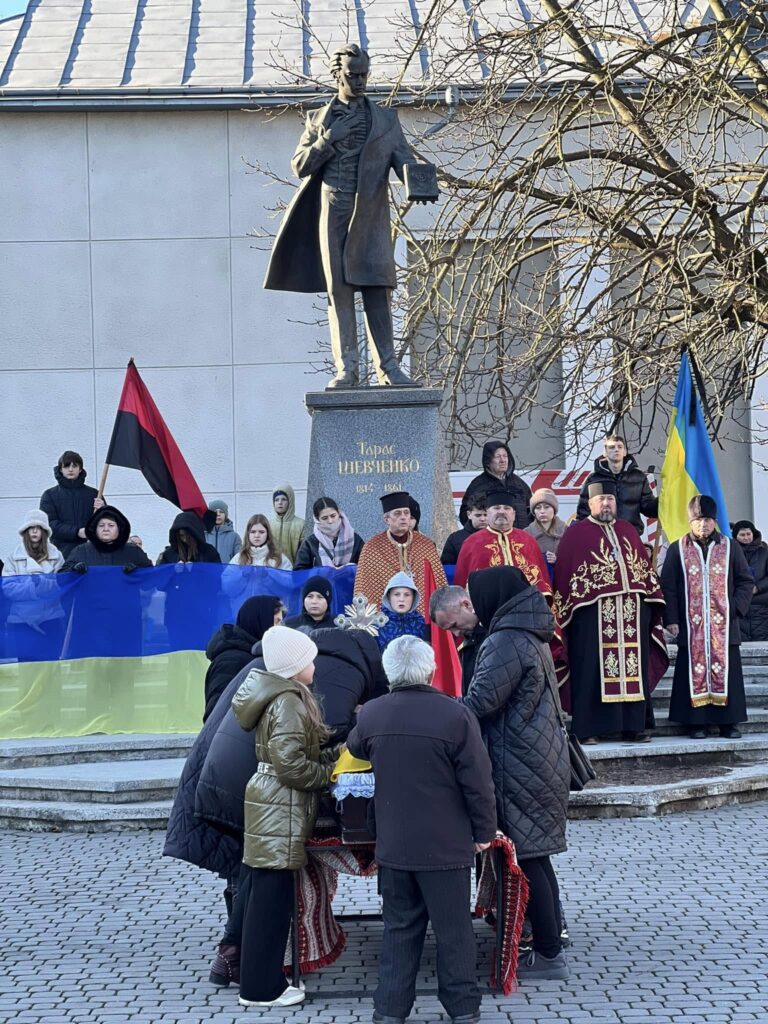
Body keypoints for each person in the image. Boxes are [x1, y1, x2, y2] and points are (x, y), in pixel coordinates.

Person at [263, 43, 432, 389]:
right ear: (337, 75)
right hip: (333, 210)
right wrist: (328, 139)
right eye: (352, 75)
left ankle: (388, 368)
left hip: (371, 214)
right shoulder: (318, 120)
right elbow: (299, 166)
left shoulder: (386, 119)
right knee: (339, 291)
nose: (359, 82)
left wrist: (419, 182)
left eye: (364, 75)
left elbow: (402, 159)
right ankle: (347, 370)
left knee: (377, 288)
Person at [347, 635, 497, 1024]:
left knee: (399, 929)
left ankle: (389, 1010)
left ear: (389, 672)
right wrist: (484, 830)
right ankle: (463, 1009)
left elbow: (356, 747)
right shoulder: (455, 714)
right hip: (446, 845)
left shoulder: (373, 714)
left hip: (395, 843)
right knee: (454, 932)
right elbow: (478, 782)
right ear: (430, 670)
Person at [462, 566, 570, 980]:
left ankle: (547, 954)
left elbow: (481, 702)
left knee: (527, 858)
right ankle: (548, 943)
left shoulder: (505, 640)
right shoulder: (526, 632)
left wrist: (441, 710)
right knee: (535, 857)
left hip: (520, 763)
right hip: (536, 759)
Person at [233, 626, 341, 1008]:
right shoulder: (290, 702)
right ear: (296, 667)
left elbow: (293, 757)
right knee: (271, 901)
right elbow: (292, 767)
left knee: (266, 893)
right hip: (280, 805)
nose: (315, 665)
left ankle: (258, 983)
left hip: (273, 803)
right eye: (309, 659)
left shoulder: (279, 696)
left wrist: (334, 756)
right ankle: (261, 990)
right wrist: (330, 775)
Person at [553, 481, 668, 743]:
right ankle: (589, 728)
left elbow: (642, 570)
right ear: (590, 504)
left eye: (610, 500)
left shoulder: (628, 530)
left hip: (631, 613)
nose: (606, 504)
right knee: (591, 668)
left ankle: (634, 726)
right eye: (601, 500)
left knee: (633, 668)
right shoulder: (576, 534)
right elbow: (565, 578)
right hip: (591, 617)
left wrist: (651, 601)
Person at [661, 496, 753, 739]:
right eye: (699, 520)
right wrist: (671, 619)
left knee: (728, 674)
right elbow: (667, 587)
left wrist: (734, 608)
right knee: (692, 672)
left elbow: (745, 581)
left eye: (708, 520)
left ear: (715, 522)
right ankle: (696, 723)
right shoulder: (677, 549)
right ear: (691, 522)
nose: (704, 525)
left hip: (724, 626)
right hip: (691, 627)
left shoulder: (730, 547)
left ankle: (728, 723)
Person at [355, 491, 447, 609]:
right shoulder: (372, 548)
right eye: (397, 514)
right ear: (387, 519)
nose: (403, 517)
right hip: (384, 618)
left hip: (422, 616)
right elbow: (364, 588)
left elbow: (438, 583)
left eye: (406, 513)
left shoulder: (426, 545)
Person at [203, 596, 285, 723]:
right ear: (260, 621)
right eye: (277, 621)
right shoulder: (230, 661)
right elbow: (217, 715)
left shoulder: (256, 654)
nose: (280, 628)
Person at [454, 490, 550, 595]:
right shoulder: (471, 543)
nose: (501, 511)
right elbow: (462, 582)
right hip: (488, 607)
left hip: (525, 604)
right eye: (496, 508)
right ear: (488, 513)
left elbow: (542, 580)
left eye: (507, 508)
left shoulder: (528, 540)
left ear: (513, 514)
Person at [2, 509, 65, 659]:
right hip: (21, 621)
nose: (35, 531)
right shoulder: (13, 558)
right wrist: (33, 587)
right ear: (25, 532)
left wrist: (40, 583)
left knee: (51, 666)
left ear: (45, 532)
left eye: (39, 528)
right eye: (31, 528)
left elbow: (61, 583)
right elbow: (8, 587)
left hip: (50, 619)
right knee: (27, 668)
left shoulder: (57, 556)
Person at [575, 434, 658, 536]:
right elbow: (583, 512)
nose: (616, 450)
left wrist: (662, 500)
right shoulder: (594, 479)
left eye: (620, 447)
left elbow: (649, 508)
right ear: (605, 452)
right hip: (601, 537)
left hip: (630, 537)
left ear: (625, 452)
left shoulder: (638, 477)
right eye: (612, 447)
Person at [40, 451, 105, 558]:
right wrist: (77, 532)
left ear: (80, 469)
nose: (70, 469)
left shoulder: (94, 494)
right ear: (60, 469)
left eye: (74, 466)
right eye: (66, 466)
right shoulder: (49, 495)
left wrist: (103, 510)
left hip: (92, 550)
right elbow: (49, 524)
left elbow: (107, 522)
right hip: (61, 552)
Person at [458, 440, 532, 529]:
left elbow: (532, 511)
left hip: (518, 539)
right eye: (498, 457)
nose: (503, 460)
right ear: (488, 461)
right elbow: (465, 516)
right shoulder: (477, 485)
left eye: (505, 456)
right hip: (489, 540)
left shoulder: (519, 484)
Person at [429, 585, 486, 695]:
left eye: (454, 625)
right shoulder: (468, 643)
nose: (456, 633)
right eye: (449, 630)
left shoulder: (498, 632)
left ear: (466, 605)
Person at [61, 506, 152, 571]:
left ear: (119, 528)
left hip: (124, 598)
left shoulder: (133, 551)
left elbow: (151, 580)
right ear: (95, 529)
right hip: (89, 598)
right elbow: (61, 579)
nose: (106, 529)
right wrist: (73, 570)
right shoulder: (81, 551)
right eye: (101, 525)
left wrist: (138, 572)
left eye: (111, 525)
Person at [293, 497, 364, 569]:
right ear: (317, 519)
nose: (330, 521)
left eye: (333, 516)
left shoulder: (355, 539)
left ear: (339, 514)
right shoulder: (310, 543)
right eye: (324, 518)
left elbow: (366, 566)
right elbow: (299, 571)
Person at [732, 519, 768, 642]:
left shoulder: (764, 552)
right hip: (740, 602)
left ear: (753, 534)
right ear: (735, 536)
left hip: (760, 603)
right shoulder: (730, 553)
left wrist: (758, 587)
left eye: (748, 534)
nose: (746, 538)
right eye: (742, 535)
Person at [375, 572, 428, 652]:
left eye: (407, 595)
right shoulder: (376, 624)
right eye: (396, 594)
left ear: (414, 597)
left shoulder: (422, 623)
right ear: (389, 597)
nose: (401, 599)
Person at [525, 489, 567, 577]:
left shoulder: (566, 531)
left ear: (554, 509)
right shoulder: (526, 534)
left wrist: (558, 560)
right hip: (537, 583)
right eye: (538, 507)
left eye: (547, 507)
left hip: (562, 580)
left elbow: (573, 560)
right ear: (534, 511)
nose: (542, 511)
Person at [157, 512, 221, 565]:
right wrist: (174, 571)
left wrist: (196, 570)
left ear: (195, 534)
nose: (185, 540)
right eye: (181, 536)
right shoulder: (169, 554)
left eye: (188, 537)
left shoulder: (209, 552)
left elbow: (217, 575)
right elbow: (161, 576)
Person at [440, 498, 487, 565]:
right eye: (478, 515)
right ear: (469, 514)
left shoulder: (500, 536)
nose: (483, 519)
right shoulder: (454, 538)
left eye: (486, 515)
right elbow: (447, 568)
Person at [269, 484, 305, 564]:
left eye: (284, 499)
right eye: (276, 500)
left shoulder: (301, 524)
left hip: (294, 572)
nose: (280, 503)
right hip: (272, 571)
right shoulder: (268, 525)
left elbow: (304, 554)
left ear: (290, 501)